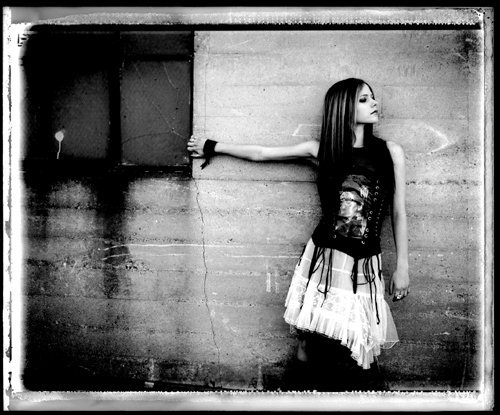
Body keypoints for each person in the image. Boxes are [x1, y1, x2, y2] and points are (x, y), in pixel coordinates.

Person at [188, 78, 409, 391]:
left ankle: (362, 400)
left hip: (364, 263)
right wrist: (213, 146)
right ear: (344, 108)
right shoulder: (321, 150)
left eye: (372, 97)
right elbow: (262, 153)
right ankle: (299, 396)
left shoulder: (390, 152)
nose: (374, 103)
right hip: (325, 257)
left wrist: (403, 267)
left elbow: (398, 212)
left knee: (359, 342)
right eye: (363, 99)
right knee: (309, 339)